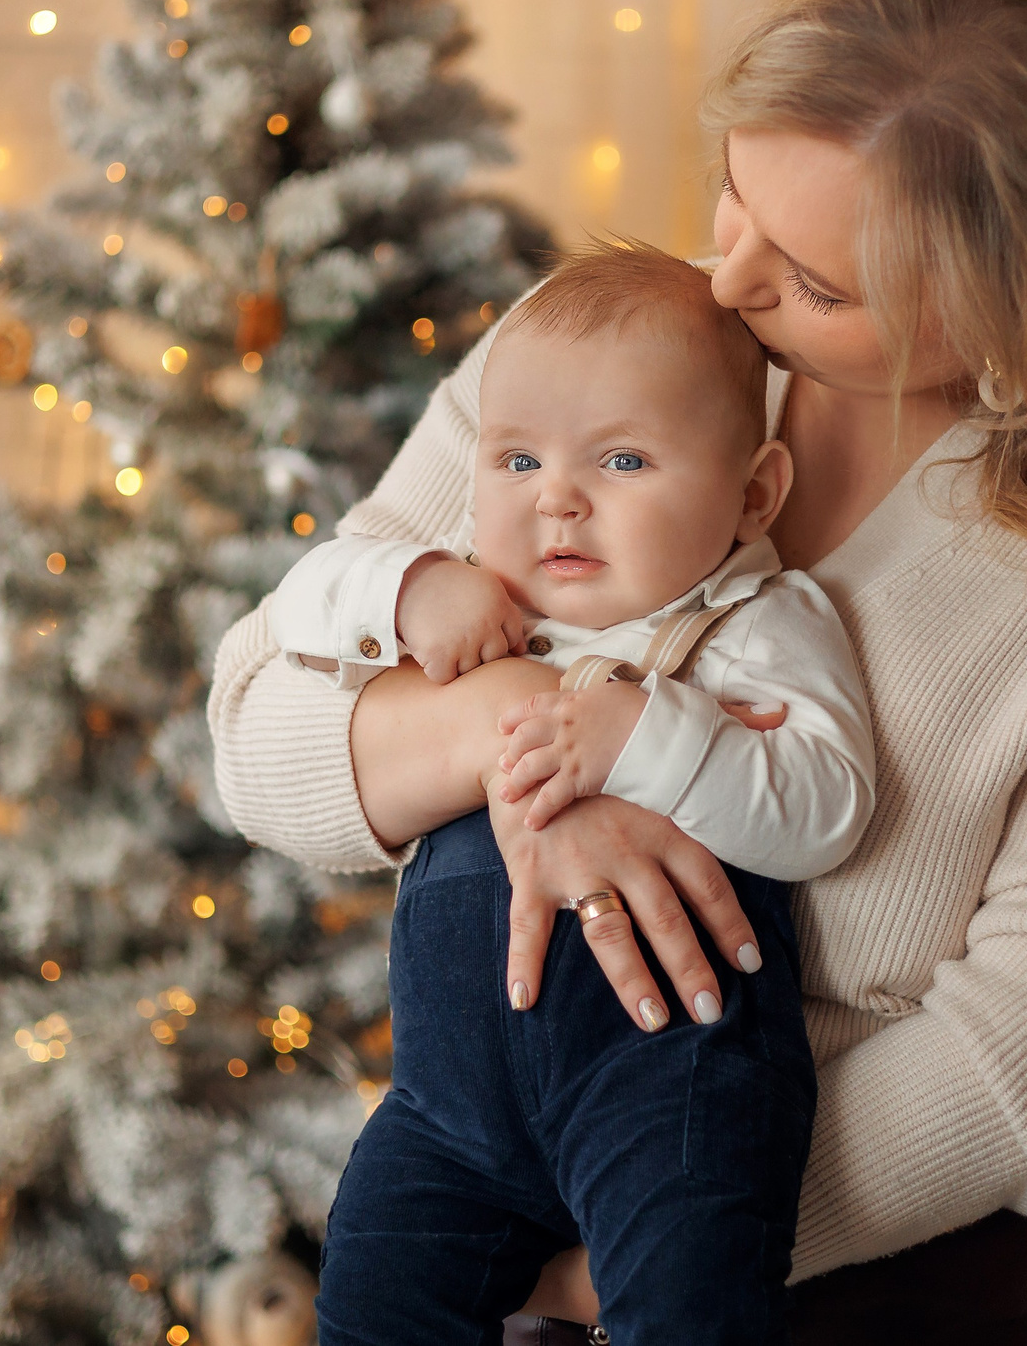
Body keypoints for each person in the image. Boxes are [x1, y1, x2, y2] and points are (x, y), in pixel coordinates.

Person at [211, 0, 1027, 1343]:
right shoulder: (606, 356)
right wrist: (526, 747)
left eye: (818, 282)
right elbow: (261, 719)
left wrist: (650, 1234)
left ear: (1019, 307)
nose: (727, 283)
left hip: (878, 1288)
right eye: (737, 199)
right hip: (514, 1216)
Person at [263, 240, 877, 1344]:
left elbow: (825, 807)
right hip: (446, 1111)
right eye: (514, 463)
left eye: (624, 464)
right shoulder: (478, 591)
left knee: (690, 1310)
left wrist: (642, 733)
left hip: (671, 1078)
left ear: (752, 495)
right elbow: (293, 613)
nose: (557, 504)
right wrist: (406, 588)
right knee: (367, 1304)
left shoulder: (755, 624)